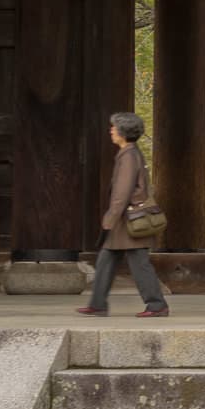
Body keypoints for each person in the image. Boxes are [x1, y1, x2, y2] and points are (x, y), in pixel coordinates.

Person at [76, 112, 168, 317]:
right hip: (125, 220)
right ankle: (98, 304)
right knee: (106, 259)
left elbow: (122, 191)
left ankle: (157, 305)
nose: (111, 130)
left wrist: (110, 217)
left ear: (123, 132)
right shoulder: (130, 152)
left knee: (139, 264)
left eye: (114, 127)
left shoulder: (128, 155)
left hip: (128, 220)